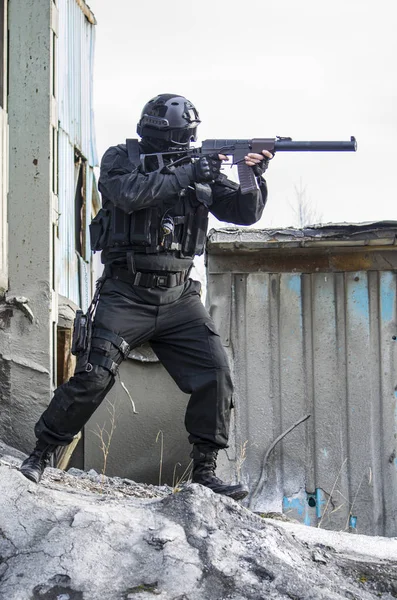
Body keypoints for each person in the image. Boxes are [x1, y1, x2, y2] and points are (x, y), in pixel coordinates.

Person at [20, 94, 272, 500]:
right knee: (93, 376)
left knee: (216, 374)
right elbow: (130, 195)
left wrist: (251, 174)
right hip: (126, 292)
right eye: (179, 137)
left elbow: (244, 213)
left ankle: (205, 471)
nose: (185, 143)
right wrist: (190, 172)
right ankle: (40, 454)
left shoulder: (200, 169)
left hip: (179, 298)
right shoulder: (122, 159)